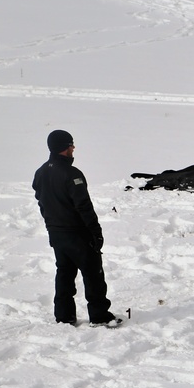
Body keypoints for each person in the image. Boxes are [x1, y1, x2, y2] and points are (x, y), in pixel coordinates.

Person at [32, 130, 123, 327]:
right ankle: (99, 316)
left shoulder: (40, 172)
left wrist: (51, 226)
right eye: (71, 144)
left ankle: (64, 317)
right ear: (64, 148)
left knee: (64, 273)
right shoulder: (72, 174)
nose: (74, 148)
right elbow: (83, 206)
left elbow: (41, 202)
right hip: (77, 234)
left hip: (57, 234)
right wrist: (95, 232)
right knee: (93, 274)